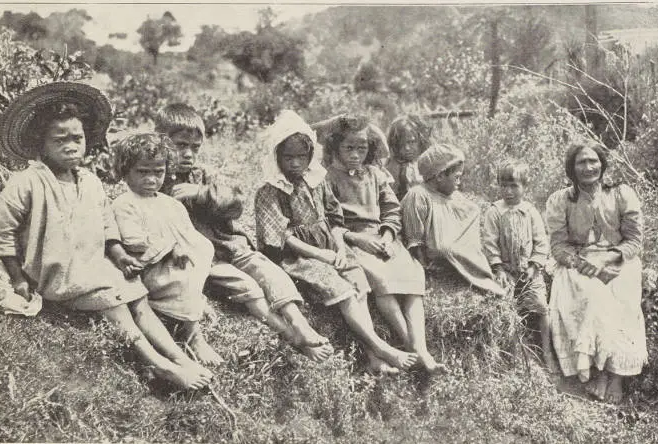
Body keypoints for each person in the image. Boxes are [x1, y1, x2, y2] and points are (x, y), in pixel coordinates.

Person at [0, 82, 212, 390]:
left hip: (93, 264)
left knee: (138, 299)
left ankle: (180, 356)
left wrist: (121, 257)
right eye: (60, 140)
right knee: (116, 306)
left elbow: (108, 228)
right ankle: (159, 364)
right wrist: (17, 278)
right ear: (40, 144)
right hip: (55, 272)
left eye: (77, 138)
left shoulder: (90, 182)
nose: (71, 146)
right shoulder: (26, 183)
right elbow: (2, 235)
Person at [154, 104, 332, 362]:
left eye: (195, 147)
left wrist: (202, 193)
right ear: (161, 141)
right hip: (205, 260)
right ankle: (290, 335)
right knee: (247, 288)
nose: (188, 154)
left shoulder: (202, 175)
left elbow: (235, 202)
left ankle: (300, 323)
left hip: (231, 245)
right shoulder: (156, 180)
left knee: (270, 272)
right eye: (181, 145)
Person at [255, 110, 418, 374]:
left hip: (328, 246)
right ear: (277, 157)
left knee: (358, 281)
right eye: (289, 157)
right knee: (339, 287)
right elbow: (281, 237)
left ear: (310, 156)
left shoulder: (316, 182)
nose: (296, 163)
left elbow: (334, 219)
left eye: (301, 157)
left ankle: (372, 356)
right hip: (297, 255)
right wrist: (322, 256)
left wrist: (339, 249)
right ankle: (380, 347)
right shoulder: (271, 190)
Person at [320, 115, 446, 374]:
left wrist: (388, 236)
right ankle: (409, 346)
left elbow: (391, 210)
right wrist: (356, 238)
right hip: (353, 240)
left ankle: (421, 348)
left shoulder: (376, 174)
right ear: (335, 148)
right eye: (349, 148)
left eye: (362, 148)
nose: (356, 154)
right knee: (381, 279)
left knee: (411, 275)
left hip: (382, 238)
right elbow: (327, 221)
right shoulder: (328, 178)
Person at [545, 143, 648, 404]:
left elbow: (634, 240)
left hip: (617, 259)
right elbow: (558, 245)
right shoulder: (561, 200)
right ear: (572, 168)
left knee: (621, 295)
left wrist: (610, 259)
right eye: (581, 162)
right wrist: (580, 263)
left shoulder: (622, 194)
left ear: (602, 164)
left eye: (593, 161)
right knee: (587, 293)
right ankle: (595, 371)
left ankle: (615, 377)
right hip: (579, 260)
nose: (588, 167)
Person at [111, 133, 220, 365]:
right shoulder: (125, 204)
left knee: (200, 250)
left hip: (174, 260)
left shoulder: (170, 203)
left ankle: (193, 303)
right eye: (143, 171)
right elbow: (133, 241)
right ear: (125, 171)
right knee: (183, 277)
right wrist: (172, 248)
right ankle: (193, 335)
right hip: (150, 268)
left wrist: (183, 247)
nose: (151, 179)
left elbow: (187, 234)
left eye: (158, 172)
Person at [401, 143, 504, 295]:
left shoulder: (455, 197)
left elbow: (468, 220)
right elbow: (414, 241)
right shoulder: (419, 195)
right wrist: (425, 271)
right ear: (440, 176)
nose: (459, 182)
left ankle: (471, 272)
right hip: (434, 268)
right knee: (443, 247)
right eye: (456, 177)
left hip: (458, 262)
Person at [484, 161, 552, 368]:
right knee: (505, 305)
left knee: (540, 305)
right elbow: (489, 242)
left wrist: (534, 266)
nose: (509, 191)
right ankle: (514, 352)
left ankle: (548, 352)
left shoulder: (530, 212)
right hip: (506, 271)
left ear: (524, 186)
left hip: (529, 271)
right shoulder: (494, 211)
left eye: (514, 186)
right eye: (504, 185)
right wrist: (498, 267)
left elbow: (541, 241)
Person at [385, 114, 432, 200]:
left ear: (421, 140)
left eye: (411, 142)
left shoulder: (429, 161)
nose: (407, 148)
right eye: (401, 144)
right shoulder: (393, 166)